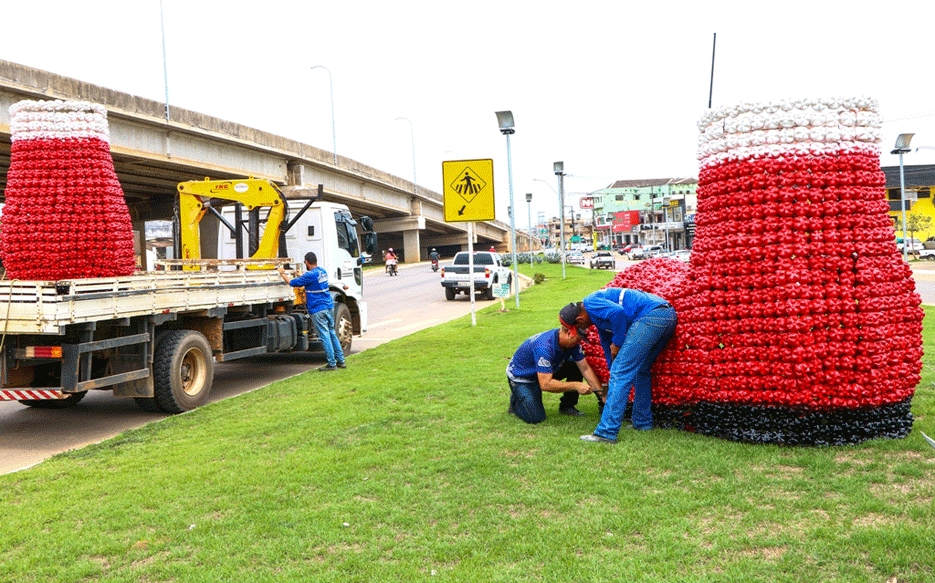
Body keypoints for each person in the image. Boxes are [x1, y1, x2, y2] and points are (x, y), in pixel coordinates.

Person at [560, 289, 676, 443]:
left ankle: (606, 432)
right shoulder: (596, 316)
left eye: (580, 326)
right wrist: (612, 367)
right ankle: (642, 422)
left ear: (580, 318)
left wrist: (618, 343)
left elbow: (618, 313)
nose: (584, 329)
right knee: (640, 370)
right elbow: (606, 343)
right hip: (666, 316)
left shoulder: (591, 303)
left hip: (650, 317)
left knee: (621, 373)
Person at [506, 323, 604, 424]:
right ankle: (516, 399)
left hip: (547, 370)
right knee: (535, 418)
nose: (580, 343)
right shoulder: (544, 346)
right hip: (523, 378)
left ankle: (567, 406)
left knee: (575, 365)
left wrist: (601, 394)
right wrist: (576, 385)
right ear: (569, 333)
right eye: (578, 339)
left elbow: (585, 368)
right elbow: (545, 384)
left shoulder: (572, 344)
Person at [278, 252, 346, 372]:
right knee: (332, 333)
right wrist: (302, 275)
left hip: (317, 309)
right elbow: (310, 278)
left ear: (306, 262)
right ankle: (341, 360)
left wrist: (282, 273)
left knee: (325, 336)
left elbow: (292, 283)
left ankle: (331, 363)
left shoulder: (309, 275)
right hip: (329, 307)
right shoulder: (322, 271)